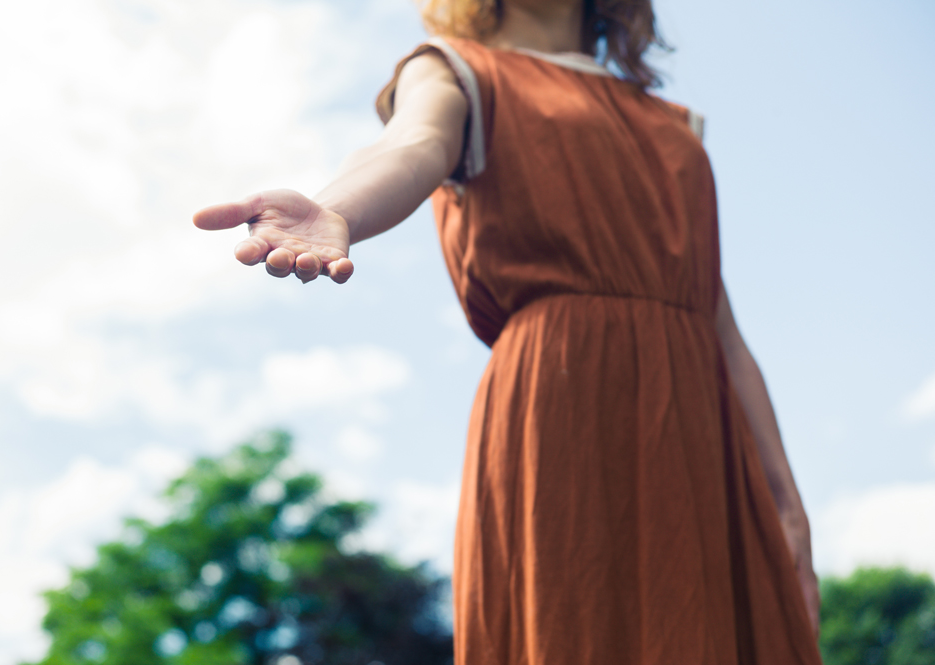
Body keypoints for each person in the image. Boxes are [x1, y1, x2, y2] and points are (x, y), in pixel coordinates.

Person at [194, 0, 822, 662]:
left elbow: (721, 328)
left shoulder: (675, 125)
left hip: (698, 425)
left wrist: (786, 501)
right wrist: (335, 210)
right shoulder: (457, 70)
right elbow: (412, 144)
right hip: (564, 403)